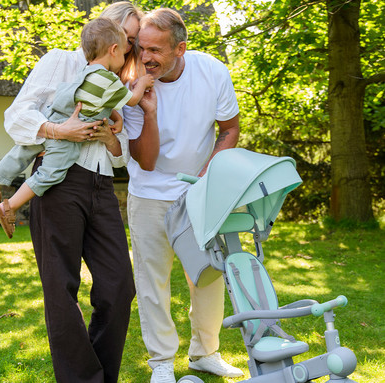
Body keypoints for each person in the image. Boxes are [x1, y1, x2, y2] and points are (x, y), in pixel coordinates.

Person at [0, 2, 144, 382]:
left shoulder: (114, 82)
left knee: (119, 285)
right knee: (61, 289)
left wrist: (111, 138)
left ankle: (98, 374)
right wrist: (60, 131)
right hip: (58, 184)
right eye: (124, 37)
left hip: (101, 185)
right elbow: (17, 115)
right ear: (104, 28)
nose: (126, 48)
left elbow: (121, 155)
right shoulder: (60, 61)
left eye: (131, 41)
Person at [122, 8, 244, 383]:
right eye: (142, 48)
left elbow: (230, 128)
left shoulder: (212, 72)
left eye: (156, 50)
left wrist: (210, 174)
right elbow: (145, 161)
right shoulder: (132, 86)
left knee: (207, 277)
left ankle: (205, 353)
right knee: (152, 281)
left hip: (199, 193)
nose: (146, 58)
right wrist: (149, 110)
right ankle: (161, 362)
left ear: (181, 49)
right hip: (148, 194)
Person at [0, 17, 153, 239]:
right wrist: (142, 84)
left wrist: (113, 116)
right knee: (49, 173)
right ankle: (9, 206)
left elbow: (93, 101)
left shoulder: (87, 71)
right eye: (127, 43)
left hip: (54, 116)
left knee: (25, 149)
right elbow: (132, 99)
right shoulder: (108, 79)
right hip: (68, 140)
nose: (129, 52)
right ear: (114, 48)